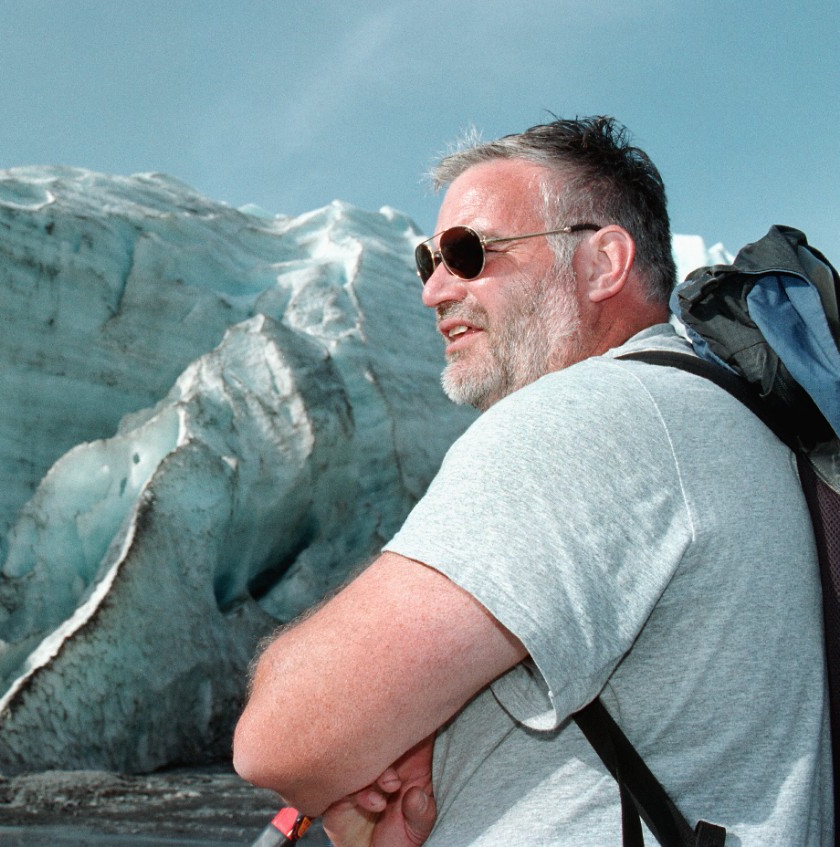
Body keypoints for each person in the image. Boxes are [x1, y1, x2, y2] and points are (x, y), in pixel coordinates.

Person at [232, 116, 832, 845]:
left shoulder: (596, 417)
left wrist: (364, 741)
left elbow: (281, 735)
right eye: (430, 261)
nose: (435, 290)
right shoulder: (725, 416)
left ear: (603, 262)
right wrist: (425, 737)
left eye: (468, 252)